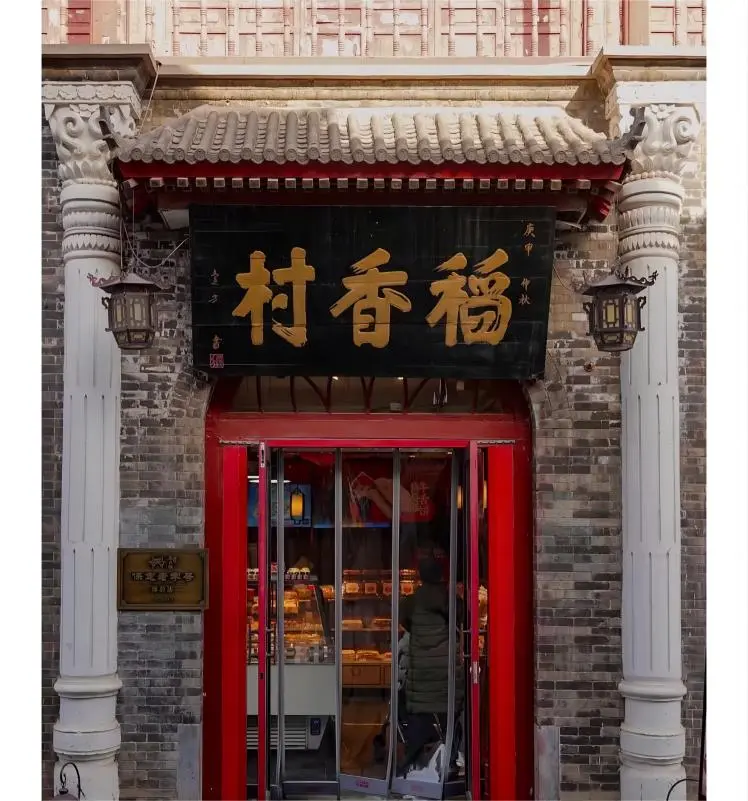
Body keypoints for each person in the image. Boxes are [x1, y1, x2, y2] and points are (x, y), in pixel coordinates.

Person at [398, 556, 464, 776]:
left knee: (419, 722)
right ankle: (449, 763)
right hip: (445, 674)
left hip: (422, 674)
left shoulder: (410, 602)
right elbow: (464, 618)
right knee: (449, 721)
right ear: (440, 575)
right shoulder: (451, 600)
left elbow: (405, 622)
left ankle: (412, 767)